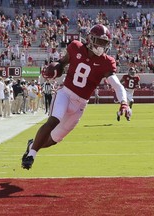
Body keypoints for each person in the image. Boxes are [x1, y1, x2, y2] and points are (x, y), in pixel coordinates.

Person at [21, 24, 131, 170]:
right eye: (99, 41)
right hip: (65, 94)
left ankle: (32, 145)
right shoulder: (76, 47)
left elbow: (117, 85)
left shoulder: (106, 62)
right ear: (90, 39)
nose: (101, 46)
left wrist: (124, 102)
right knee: (54, 120)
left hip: (80, 105)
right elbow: (62, 62)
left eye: (104, 43)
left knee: (54, 139)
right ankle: (32, 155)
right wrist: (54, 69)